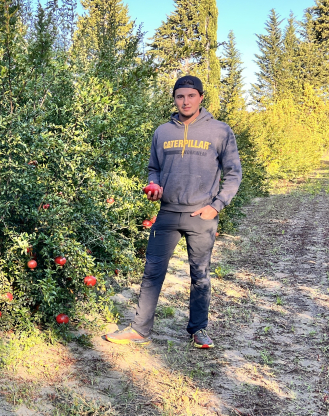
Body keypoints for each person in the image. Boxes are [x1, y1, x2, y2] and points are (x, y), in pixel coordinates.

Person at [103, 75, 242, 349]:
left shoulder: (220, 131)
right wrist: (154, 185)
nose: (185, 101)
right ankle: (140, 329)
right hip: (167, 213)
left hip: (201, 216)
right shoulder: (163, 132)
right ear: (175, 99)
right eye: (180, 96)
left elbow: (234, 173)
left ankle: (198, 330)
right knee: (152, 272)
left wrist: (215, 206)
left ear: (201, 97)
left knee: (199, 274)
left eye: (191, 96)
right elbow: (153, 168)